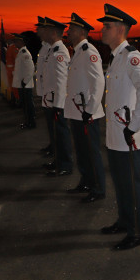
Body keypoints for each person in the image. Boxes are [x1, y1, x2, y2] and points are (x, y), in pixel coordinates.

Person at [98, 4, 140, 250]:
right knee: (121, 184)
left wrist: (135, 125)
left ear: (121, 29)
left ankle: (138, 232)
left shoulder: (131, 56)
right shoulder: (116, 57)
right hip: (115, 135)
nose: (102, 29)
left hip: (127, 135)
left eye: (107, 26)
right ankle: (124, 221)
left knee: (131, 185)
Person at [64, 13, 107, 202]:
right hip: (77, 111)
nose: (68, 31)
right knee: (82, 151)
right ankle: (86, 181)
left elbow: (98, 82)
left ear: (82, 31)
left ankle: (98, 188)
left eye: (72, 29)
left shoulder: (89, 52)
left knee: (91, 152)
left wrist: (90, 109)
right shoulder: (78, 52)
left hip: (87, 112)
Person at [41, 17, 73, 177]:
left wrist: (59, 105)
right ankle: (58, 161)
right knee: (55, 134)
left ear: (54, 32)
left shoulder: (60, 52)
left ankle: (65, 165)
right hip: (51, 100)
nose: (43, 32)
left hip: (57, 103)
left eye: (46, 30)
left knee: (61, 134)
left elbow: (61, 80)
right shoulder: (52, 50)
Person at [35, 16, 53, 156]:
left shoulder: (51, 48)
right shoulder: (45, 47)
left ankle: (56, 150)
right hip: (46, 93)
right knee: (51, 126)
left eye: (40, 28)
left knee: (55, 126)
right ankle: (53, 146)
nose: (37, 31)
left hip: (51, 95)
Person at [11, 33, 36, 129]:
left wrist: (25, 82)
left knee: (28, 105)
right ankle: (28, 122)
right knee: (25, 105)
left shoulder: (25, 53)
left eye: (16, 41)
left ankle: (30, 123)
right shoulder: (21, 52)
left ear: (21, 41)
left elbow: (31, 69)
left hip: (25, 85)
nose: (15, 43)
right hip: (23, 84)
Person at [6, 35, 20, 105]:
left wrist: (15, 70)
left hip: (13, 70)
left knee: (14, 86)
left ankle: (16, 100)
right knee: (11, 85)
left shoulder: (14, 48)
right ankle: (13, 99)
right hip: (10, 70)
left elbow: (16, 59)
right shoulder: (10, 47)